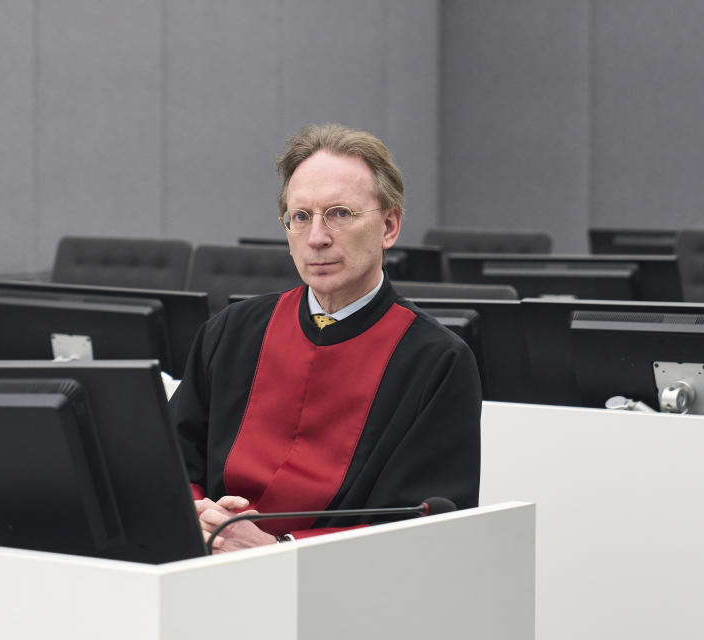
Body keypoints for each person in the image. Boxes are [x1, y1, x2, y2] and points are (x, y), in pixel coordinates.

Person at [169, 123, 481, 553]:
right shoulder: (232, 331)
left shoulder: (436, 361)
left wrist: (280, 546)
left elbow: (422, 523)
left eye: (340, 213)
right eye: (300, 217)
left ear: (389, 226)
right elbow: (169, 460)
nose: (316, 238)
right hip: (202, 568)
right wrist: (200, 518)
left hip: (338, 595)